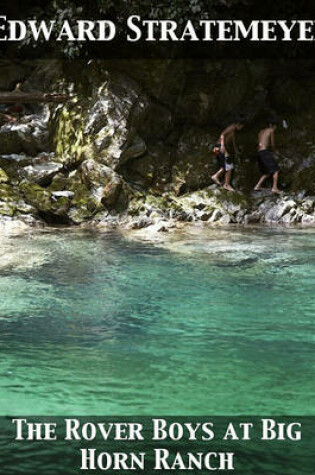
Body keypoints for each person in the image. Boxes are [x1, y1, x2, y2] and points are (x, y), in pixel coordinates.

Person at [211, 119, 245, 191]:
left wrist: (236, 151)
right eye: (241, 127)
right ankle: (223, 181)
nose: (241, 129)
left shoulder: (233, 131)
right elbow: (222, 135)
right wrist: (223, 146)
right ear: (239, 124)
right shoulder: (232, 127)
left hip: (216, 148)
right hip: (219, 147)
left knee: (226, 165)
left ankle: (225, 182)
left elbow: (233, 142)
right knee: (229, 166)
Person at [254, 119, 282, 194]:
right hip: (264, 152)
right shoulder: (271, 130)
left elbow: (259, 143)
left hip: (259, 153)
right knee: (276, 170)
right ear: (274, 126)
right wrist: (275, 151)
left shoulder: (260, 132)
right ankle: (274, 188)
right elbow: (272, 144)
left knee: (266, 172)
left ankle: (257, 186)